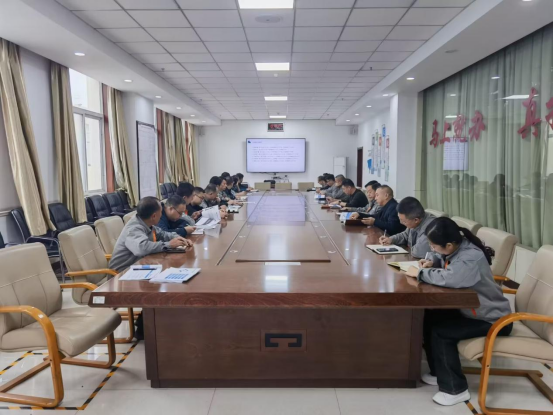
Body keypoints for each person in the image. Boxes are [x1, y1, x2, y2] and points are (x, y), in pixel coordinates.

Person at [406, 217, 512, 407]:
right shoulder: (458, 246)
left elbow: (453, 278)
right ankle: (438, 371)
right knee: (430, 316)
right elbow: (446, 260)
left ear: (448, 244)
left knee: (442, 333)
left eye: (434, 246)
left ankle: (455, 389)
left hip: (492, 319)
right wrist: (432, 261)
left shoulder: (470, 256)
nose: (431, 248)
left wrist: (421, 273)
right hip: (472, 311)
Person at [109, 196, 193, 273]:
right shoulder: (134, 228)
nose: (162, 215)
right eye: (161, 212)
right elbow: (141, 248)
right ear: (154, 216)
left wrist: (179, 238)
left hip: (139, 266)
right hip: (122, 273)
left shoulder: (147, 223)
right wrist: (169, 244)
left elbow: (163, 234)